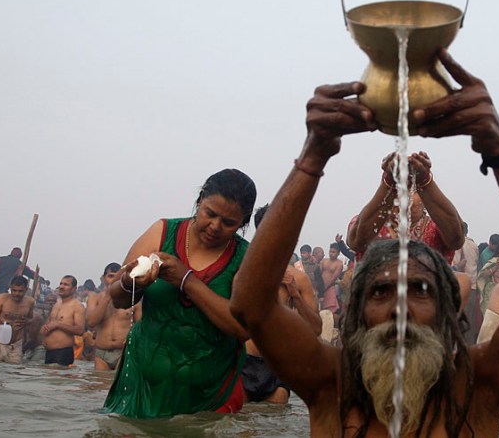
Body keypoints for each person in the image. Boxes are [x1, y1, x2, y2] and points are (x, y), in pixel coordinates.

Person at [229, 48, 499, 436]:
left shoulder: (478, 386)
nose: (400, 307)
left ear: (449, 312)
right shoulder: (332, 384)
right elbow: (251, 305)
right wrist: (314, 153)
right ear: (356, 314)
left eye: (419, 289)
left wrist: (498, 150)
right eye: (381, 291)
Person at [101, 168, 257, 418]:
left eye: (229, 223)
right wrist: (132, 282)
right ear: (199, 201)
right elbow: (118, 298)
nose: (215, 226)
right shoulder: (162, 232)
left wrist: (186, 280)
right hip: (142, 384)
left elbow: (241, 328)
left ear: (244, 222)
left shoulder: (247, 258)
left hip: (211, 392)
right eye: (210, 214)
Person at [242, 203, 322, 404]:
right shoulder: (242, 270)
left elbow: (316, 328)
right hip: (243, 361)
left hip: (276, 365)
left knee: (277, 415)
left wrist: (294, 294)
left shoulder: (298, 279)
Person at [346, 150, 465, 264]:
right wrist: (389, 181)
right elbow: (356, 241)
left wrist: (425, 181)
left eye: (413, 189)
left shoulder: (437, 227)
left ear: (426, 202)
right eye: (398, 188)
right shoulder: (366, 222)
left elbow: (457, 239)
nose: (404, 194)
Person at [86, 262, 142, 371]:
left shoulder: (134, 300)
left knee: (119, 384)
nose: (114, 280)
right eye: (111, 276)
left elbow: (141, 327)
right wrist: (107, 297)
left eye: (118, 276)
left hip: (123, 352)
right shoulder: (95, 298)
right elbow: (91, 322)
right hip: (101, 353)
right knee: (100, 385)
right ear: (103, 278)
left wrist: (133, 339)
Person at [40, 275, 86, 367]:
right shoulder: (57, 304)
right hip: (48, 352)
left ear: (74, 288)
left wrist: (58, 325)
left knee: (59, 380)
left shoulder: (77, 306)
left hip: (63, 352)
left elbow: (80, 330)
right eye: (61, 284)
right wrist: (44, 329)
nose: (61, 286)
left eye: (66, 284)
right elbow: (49, 324)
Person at [0, 275, 36, 364]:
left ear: (26, 290)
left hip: (16, 344)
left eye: (20, 291)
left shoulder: (30, 302)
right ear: (10, 288)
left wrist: (27, 321)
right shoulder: (2, 298)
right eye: (14, 290)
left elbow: (31, 320)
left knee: (14, 372)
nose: (16, 294)